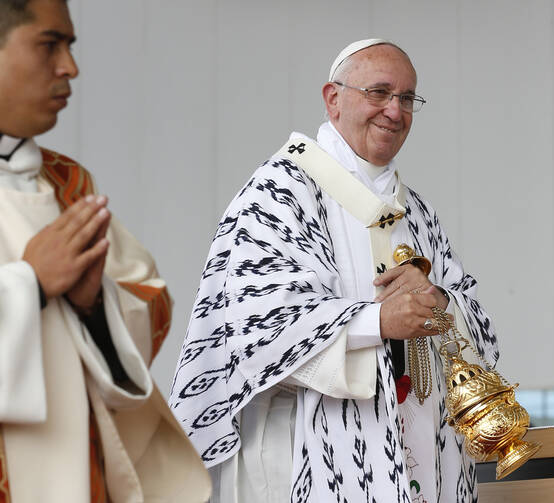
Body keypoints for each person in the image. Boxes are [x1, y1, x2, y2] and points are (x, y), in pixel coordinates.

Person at [170, 38, 498, 503]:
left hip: (421, 445)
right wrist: (378, 322)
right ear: (333, 98)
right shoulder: (280, 193)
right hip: (302, 450)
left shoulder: (415, 212)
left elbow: (477, 322)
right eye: (379, 92)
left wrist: (439, 302)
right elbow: (256, 330)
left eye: (407, 99)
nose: (394, 111)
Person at [0, 0, 210, 501]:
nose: (70, 67)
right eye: (50, 44)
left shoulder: (66, 183)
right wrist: (29, 285)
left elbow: (150, 300)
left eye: (70, 46)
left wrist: (96, 306)